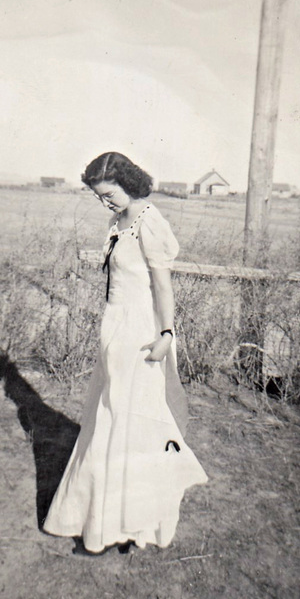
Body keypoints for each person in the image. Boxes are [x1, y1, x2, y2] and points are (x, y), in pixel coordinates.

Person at [43, 152, 208, 553]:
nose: (106, 202)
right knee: (108, 419)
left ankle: (134, 525)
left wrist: (167, 333)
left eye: (110, 194)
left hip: (140, 332)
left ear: (128, 182)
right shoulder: (118, 222)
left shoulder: (149, 221)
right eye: (99, 197)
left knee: (134, 422)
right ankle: (104, 521)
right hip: (115, 330)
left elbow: (162, 287)